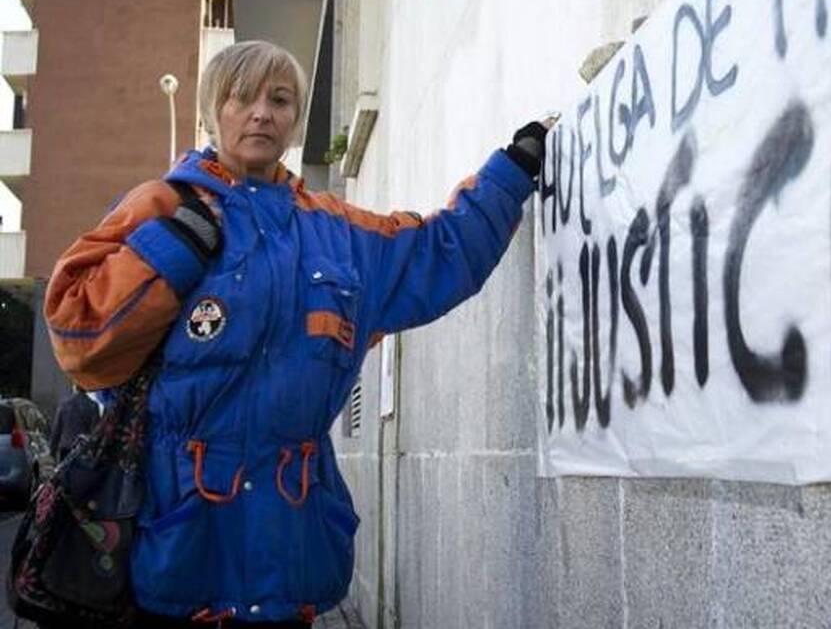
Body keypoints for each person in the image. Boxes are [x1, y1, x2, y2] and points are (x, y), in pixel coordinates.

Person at [43, 40, 549, 627]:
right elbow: (76, 335)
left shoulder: (338, 232)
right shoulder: (160, 205)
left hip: (291, 553)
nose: (262, 112)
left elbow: (441, 253)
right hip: (175, 551)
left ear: (294, 120)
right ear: (212, 111)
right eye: (242, 98)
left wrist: (514, 170)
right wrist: (173, 249)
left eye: (279, 100)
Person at [47, 386, 102, 462]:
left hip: (65, 448)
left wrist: (52, 452)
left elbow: (56, 430)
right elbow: (95, 433)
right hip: (82, 449)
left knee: (64, 472)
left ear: (75, 388)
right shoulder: (93, 406)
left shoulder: (64, 405)